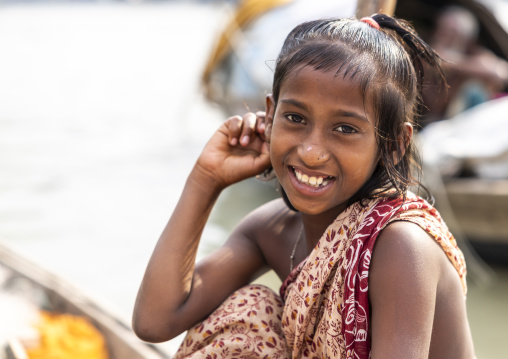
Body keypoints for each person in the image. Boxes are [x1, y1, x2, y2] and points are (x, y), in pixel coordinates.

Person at [133, 14, 476, 358]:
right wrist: (206, 179)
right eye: (295, 119)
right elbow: (156, 321)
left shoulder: (402, 245)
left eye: (344, 129)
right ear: (270, 115)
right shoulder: (273, 229)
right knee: (248, 315)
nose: (311, 153)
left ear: (394, 144)